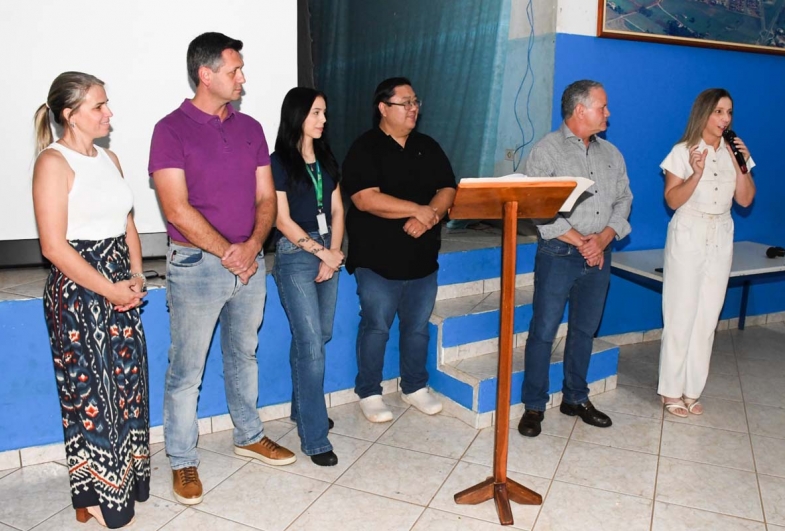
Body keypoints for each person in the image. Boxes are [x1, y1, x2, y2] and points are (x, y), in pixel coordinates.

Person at [149, 32, 295, 506]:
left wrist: (252, 245)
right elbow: (176, 207)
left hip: (249, 262)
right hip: (195, 265)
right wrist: (228, 252)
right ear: (205, 74)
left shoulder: (250, 127)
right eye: (234, 70)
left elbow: (266, 197)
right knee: (186, 369)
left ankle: (249, 435)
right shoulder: (169, 129)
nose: (242, 77)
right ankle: (181, 459)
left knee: (243, 355)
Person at [33, 72, 149, 528]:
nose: (109, 113)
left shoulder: (110, 158)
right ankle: (97, 494)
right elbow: (53, 247)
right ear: (70, 114)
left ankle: (125, 482)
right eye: (99, 106)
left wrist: (136, 277)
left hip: (120, 286)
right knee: (91, 394)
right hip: (78, 293)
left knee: (126, 390)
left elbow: (128, 224)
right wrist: (110, 288)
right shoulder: (53, 163)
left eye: (107, 103)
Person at [517, 79, 633, 438]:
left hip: (599, 254)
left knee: (584, 330)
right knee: (544, 330)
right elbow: (537, 208)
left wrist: (602, 239)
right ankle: (534, 405)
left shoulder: (611, 154)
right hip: (559, 254)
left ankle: (575, 397)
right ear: (580, 110)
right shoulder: (546, 151)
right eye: (603, 106)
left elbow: (624, 200)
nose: (608, 113)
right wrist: (582, 241)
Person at [342, 77, 456, 423]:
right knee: (376, 326)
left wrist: (430, 216)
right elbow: (365, 198)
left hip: (422, 257)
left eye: (415, 102)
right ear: (383, 108)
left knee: (418, 326)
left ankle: (414, 386)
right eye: (405, 103)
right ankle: (370, 391)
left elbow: (448, 188)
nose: (413, 108)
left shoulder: (427, 145)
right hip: (378, 260)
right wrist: (415, 209)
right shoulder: (365, 148)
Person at [658, 88, 755, 417]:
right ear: (703, 114)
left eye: (729, 113)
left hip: (722, 231)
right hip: (689, 231)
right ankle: (670, 391)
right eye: (718, 112)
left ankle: (691, 389)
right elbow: (672, 200)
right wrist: (696, 174)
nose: (725, 119)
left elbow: (745, 200)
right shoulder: (682, 151)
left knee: (708, 315)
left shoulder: (734, 153)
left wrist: (742, 165)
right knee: (680, 312)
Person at [271, 87, 344, 466]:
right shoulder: (278, 161)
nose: (323, 120)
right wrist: (321, 253)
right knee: (312, 344)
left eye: (324, 113)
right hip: (295, 254)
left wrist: (334, 253)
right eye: (317, 113)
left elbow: (337, 209)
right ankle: (314, 437)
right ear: (298, 115)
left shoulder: (327, 159)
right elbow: (281, 220)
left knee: (317, 336)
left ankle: (303, 408)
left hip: (329, 251)